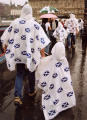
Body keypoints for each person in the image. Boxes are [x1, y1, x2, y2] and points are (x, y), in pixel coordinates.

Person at [1, 4, 50, 106]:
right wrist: (42, 55)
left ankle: (18, 96)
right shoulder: (35, 24)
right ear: (31, 12)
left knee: (19, 73)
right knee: (31, 71)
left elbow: (6, 36)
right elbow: (41, 41)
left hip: (19, 54)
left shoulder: (15, 23)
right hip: (30, 54)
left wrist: (5, 46)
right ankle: (31, 91)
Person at [36, 42, 76, 120]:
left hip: (53, 84)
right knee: (64, 90)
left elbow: (45, 70)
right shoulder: (64, 60)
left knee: (54, 92)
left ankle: (56, 105)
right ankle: (65, 102)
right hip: (63, 83)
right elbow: (66, 72)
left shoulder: (52, 59)